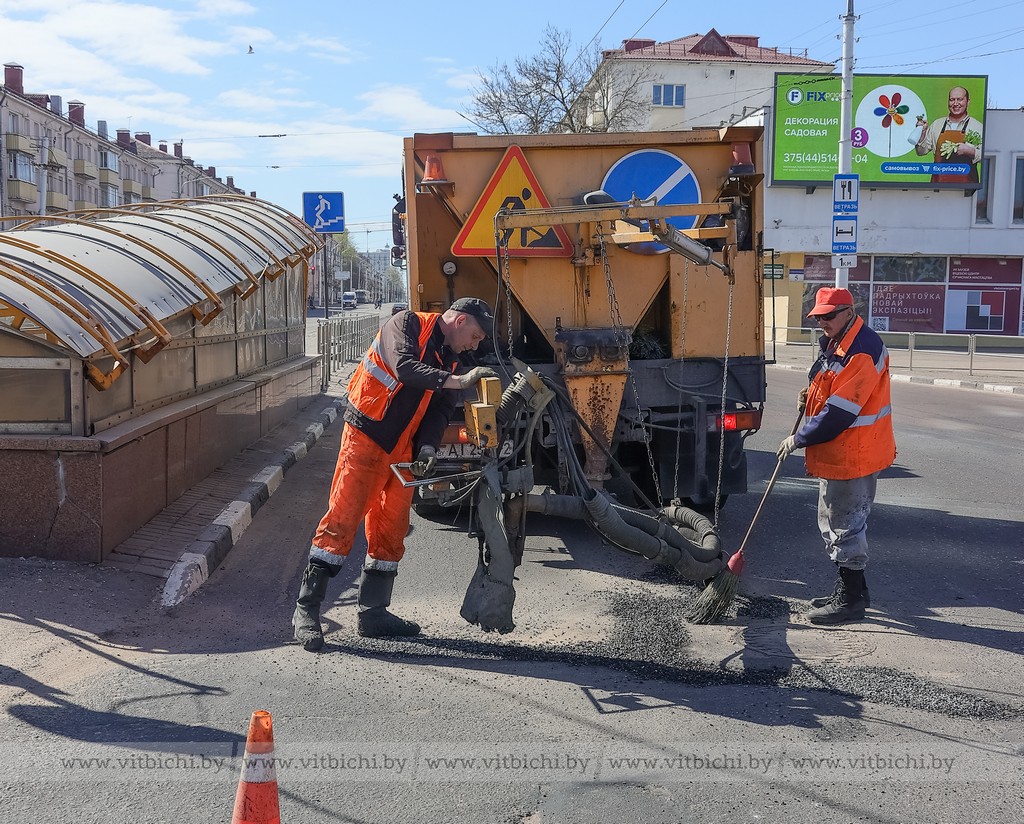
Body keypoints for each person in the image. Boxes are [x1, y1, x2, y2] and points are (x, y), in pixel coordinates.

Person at [292, 297, 498, 650]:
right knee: (343, 518)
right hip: (367, 435)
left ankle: (373, 613)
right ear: (460, 320)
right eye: (476, 336)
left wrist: (428, 448)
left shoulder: (452, 356)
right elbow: (405, 368)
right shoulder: (406, 325)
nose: (475, 345)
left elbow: (441, 408)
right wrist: (459, 379)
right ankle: (306, 610)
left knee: (392, 527)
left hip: (402, 446)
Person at [777, 287, 896, 624]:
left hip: (853, 452)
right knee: (841, 522)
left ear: (848, 312)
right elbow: (829, 386)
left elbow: (840, 412)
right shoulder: (840, 342)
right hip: (845, 449)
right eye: (818, 317)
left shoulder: (860, 350)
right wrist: (810, 396)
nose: (822, 322)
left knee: (845, 525)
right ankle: (856, 592)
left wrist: (798, 438)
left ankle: (850, 602)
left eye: (828, 316)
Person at [913, 85, 983, 184]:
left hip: (966, 190)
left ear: (968, 102)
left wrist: (971, 152)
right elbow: (921, 151)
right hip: (937, 186)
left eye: (960, 99)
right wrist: (922, 132)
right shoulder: (937, 124)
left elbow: (986, 159)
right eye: (952, 100)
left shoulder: (978, 127)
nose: (955, 103)